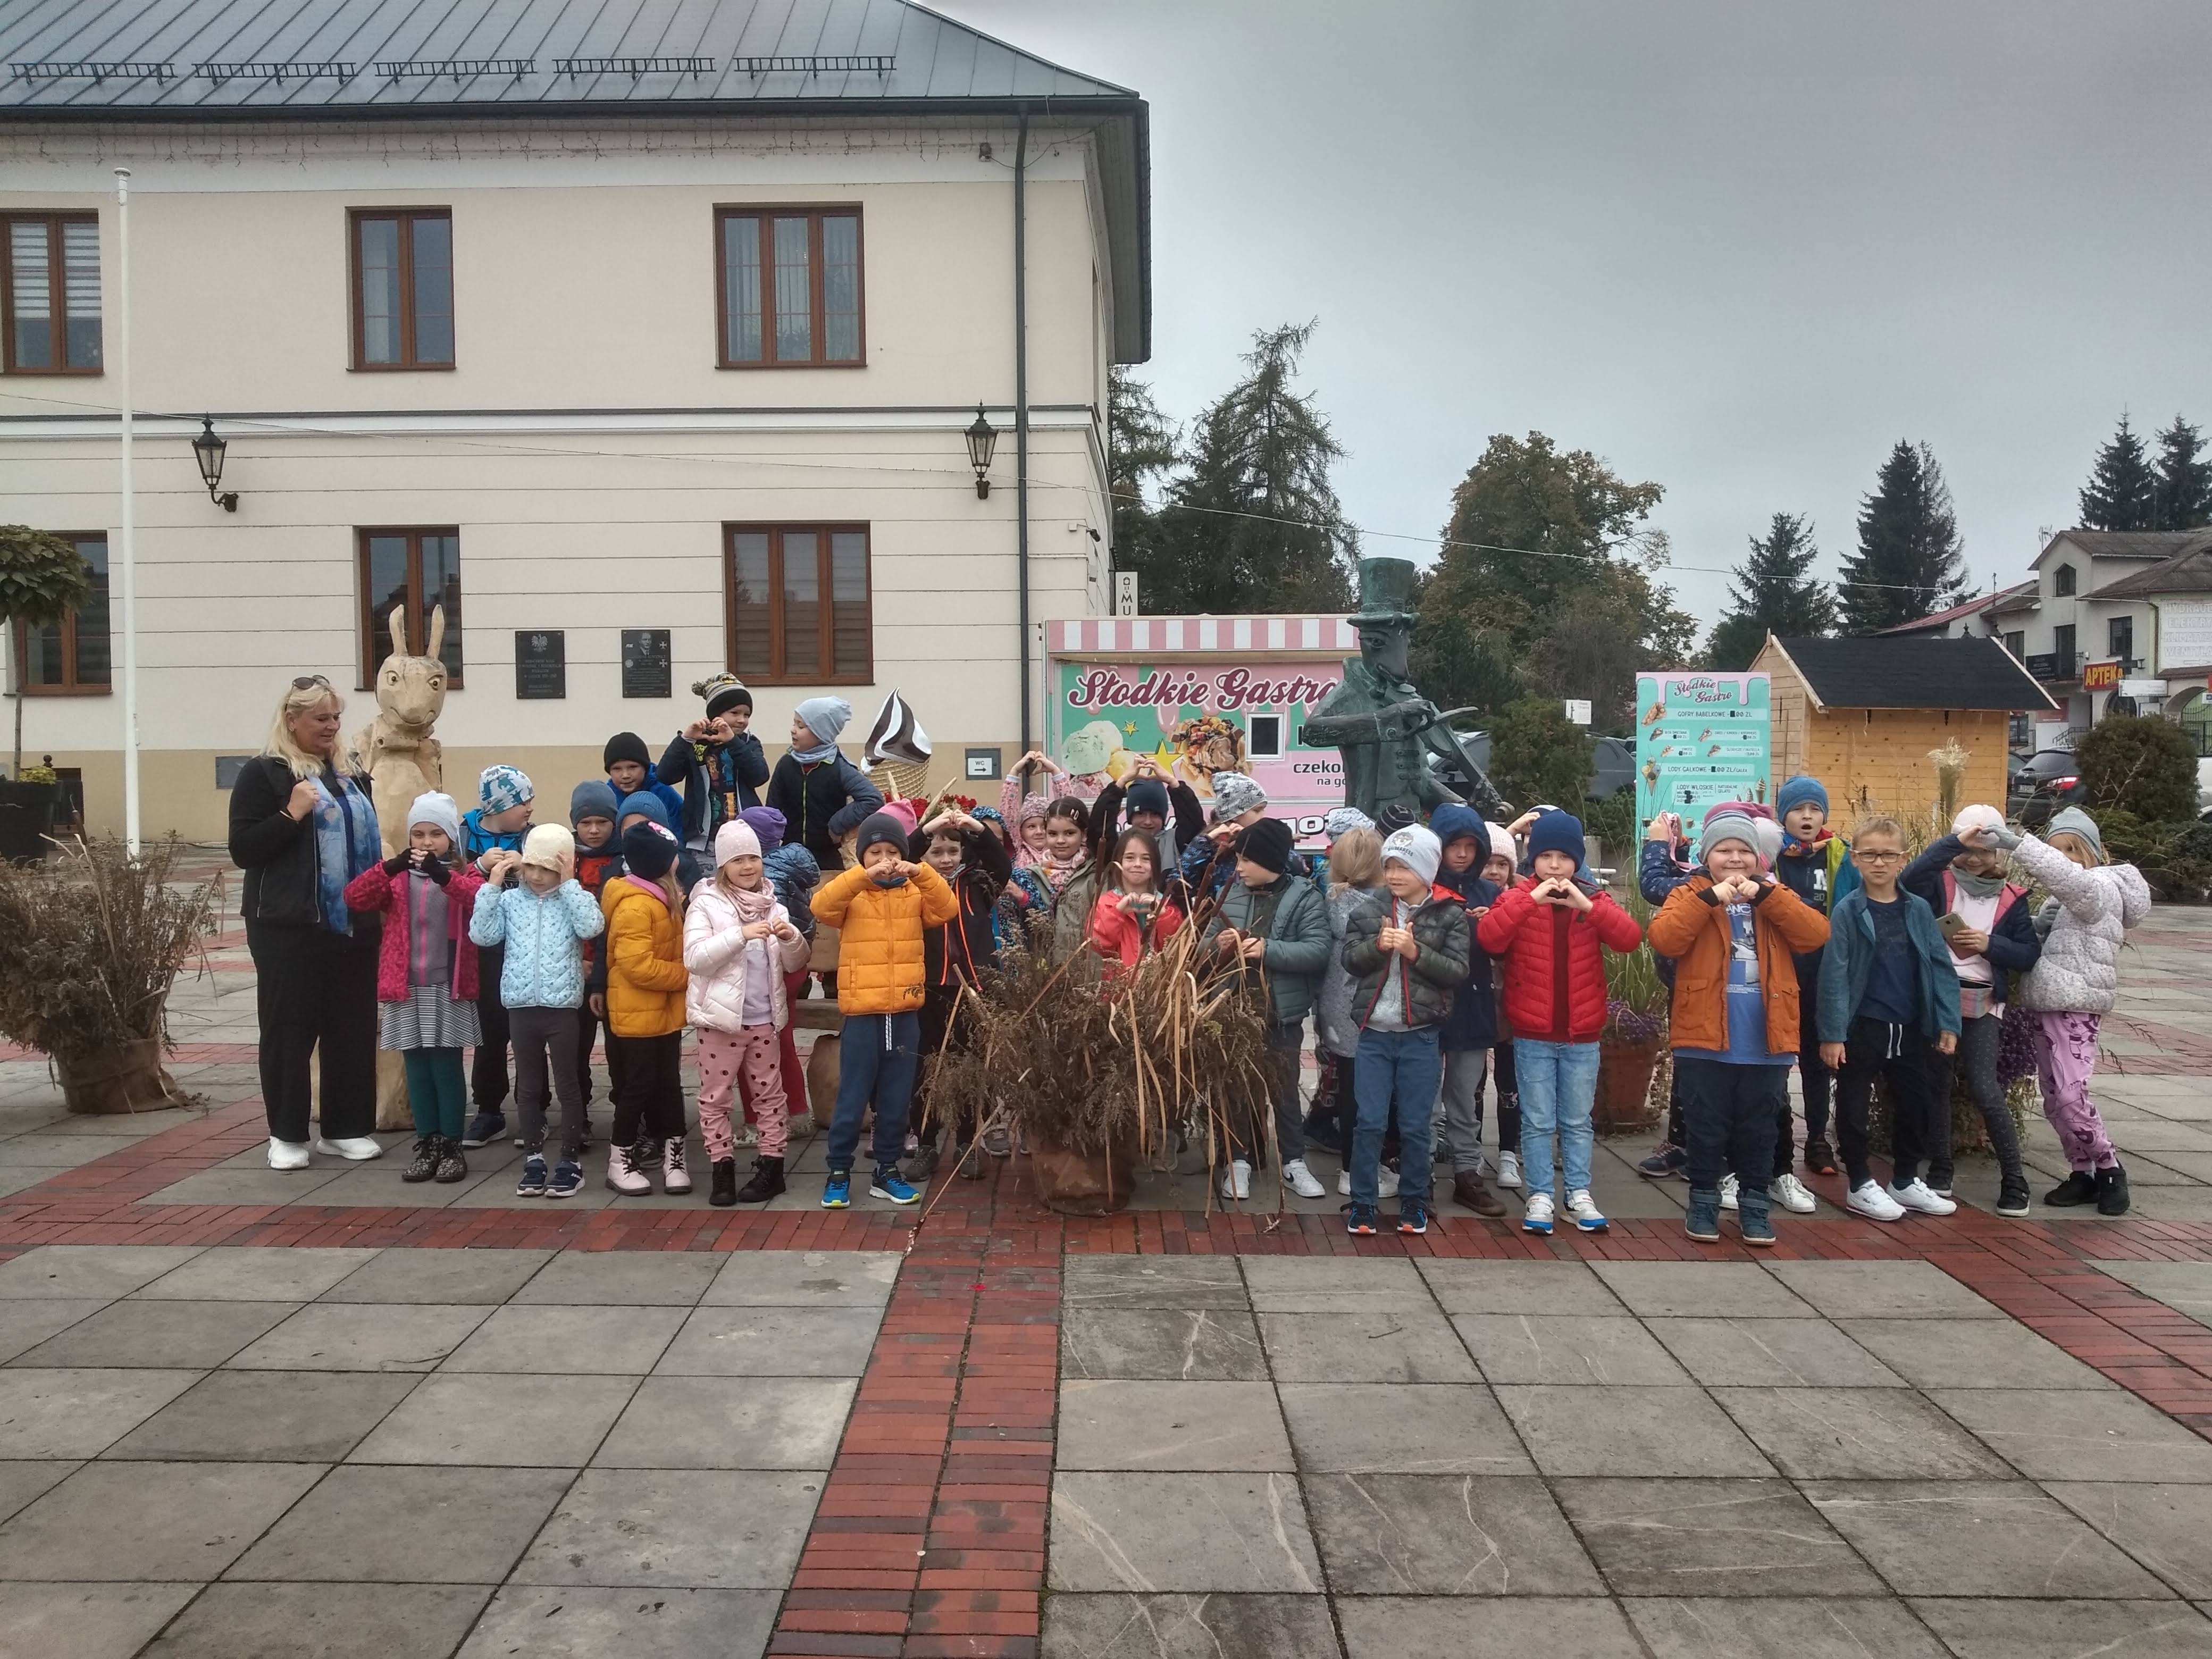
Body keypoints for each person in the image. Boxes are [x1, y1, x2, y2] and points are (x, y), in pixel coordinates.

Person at [1648, 805, 1831, 1246]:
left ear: (1758, 858)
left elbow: (1815, 934)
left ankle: (1754, 1205)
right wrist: (1712, 899)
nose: (1734, 860)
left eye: (1743, 851)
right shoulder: (1689, 891)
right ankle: (1704, 1202)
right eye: (1724, 850)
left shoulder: (1775, 893)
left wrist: (1766, 896)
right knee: (1706, 1127)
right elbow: (1666, 938)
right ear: (1707, 856)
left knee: (1760, 1128)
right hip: (1704, 1036)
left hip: (1767, 1038)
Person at [229, 676, 387, 1169]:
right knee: (289, 1029)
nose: (332, 726)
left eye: (337, 717)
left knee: (352, 1027)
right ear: (292, 720)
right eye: (321, 718)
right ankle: (287, 1133)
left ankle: (345, 1129)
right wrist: (291, 814)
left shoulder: (349, 772)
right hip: (287, 925)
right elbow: (244, 850)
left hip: (353, 923)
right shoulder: (264, 774)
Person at [1970, 807, 2148, 1217]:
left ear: (2093, 851)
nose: (2064, 857)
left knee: (2071, 1094)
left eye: (2072, 848)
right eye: (2057, 849)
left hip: (2076, 1005)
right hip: (2048, 1001)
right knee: (2054, 1098)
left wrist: (2018, 843)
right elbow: (2060, 942)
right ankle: (2081, 1171)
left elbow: (2071, 882)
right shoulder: (2068, 896)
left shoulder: (2100, 885)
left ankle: (2110, 1167)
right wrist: (2037, 925)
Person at [1477, 809, 1644, 1235]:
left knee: (1576, 1120)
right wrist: (1528, 899)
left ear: (1576, 861)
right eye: (1546, 856)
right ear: (1533, 859)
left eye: (1564, 857)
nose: (1554, 866)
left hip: (1582, 1035)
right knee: (1537, 1119)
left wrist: (1586, 905)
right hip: (1532, 1033)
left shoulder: (1594, 899)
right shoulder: (1518, 898)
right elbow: (1491, 938)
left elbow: (1628, 939)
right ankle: (1539, 1195)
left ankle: (1577, 1193)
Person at [1898, 805, 2042, 1217]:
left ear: (1999, 854)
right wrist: (1952, 844)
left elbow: (2030, 955)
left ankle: (2014, 1177)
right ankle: (1940, 1165)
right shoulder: (1937, 885)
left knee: (1984, 1087)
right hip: (1938, 997)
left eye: (1986, 850)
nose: (1975, 858)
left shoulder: (2013, 899)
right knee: (1937, 1084)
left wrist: (1990, 946)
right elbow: (1908, 878)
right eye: (1968, 849)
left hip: (1983, 1003)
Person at [1816, 815, 1962, 1223]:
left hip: (1912, 1026)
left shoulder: (1917, 909)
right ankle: (1861, 1183)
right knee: (1854, 1106)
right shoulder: (1848, 911)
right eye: (1869, 855)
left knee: (1916, 1106)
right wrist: (1832, 1034)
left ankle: (1904, 1180)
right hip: (1864, 1025)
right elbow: (1835, 975)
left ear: (1903, 859)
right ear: (1855, 860)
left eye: (1888, 855)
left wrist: (1948, 1022)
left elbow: (1940, 966)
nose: (1879, 863)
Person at [811, 813, 959, 1208]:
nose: (884, 859)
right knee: (853, 1094)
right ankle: (839, 1171)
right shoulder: (852, 892)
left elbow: (946, 908)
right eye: (874, 852)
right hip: (863, 1013)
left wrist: (921, 871)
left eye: (892, 851)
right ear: (862, 858)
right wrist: (862, 875)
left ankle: (887, 1170)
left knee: (897, 1096)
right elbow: (821, 906)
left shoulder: (914, 892)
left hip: (905, 1010)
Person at [341, 791, 484, 1183]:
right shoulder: (398, 878)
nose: (425, 843)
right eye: (418, 834)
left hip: (447, 986)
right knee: (417, 1067)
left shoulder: (465, 873)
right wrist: (387, 868)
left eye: (435, 834)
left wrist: (445, 877)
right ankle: (429, 1141)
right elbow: (355, 897)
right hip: (405, 987)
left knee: (446, 1066)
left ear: (451, 839)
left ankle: (453, 1143)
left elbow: (479, 902)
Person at [1340, 824, 1473, 1235]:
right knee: (1370, 1122)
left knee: (1417, 1125)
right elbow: (1350, 960)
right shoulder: (1368, 910)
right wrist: (1377, 947)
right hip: (1374, 1034)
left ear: (1428, 870)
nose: (1396, 875)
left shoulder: (1451, 915)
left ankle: (1415, 1200)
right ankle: (1362, 1203)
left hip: (1421, 1035)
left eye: (1406, 867)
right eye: (1391, 866)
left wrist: (1415, 952)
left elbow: (1456, 972)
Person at [469, 823, 605, 1199]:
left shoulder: (570, 898)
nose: (539, 878)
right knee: (528, 1087)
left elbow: (592, 926)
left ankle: (570, 1161)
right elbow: (482, 935)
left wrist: (571, 883)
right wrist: (492, 885)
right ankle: (533, 1158)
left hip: (561, 1008)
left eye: (548, 871)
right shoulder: (512, 901)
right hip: (521, 1006)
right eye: (532, 869)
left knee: (568, 1084)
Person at [1201, 817, 1333, 1200]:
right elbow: (1201, 947)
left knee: (1285, 1092)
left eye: (1246, 859)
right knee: (1235, 1089)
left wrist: (1268, 950)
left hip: (1282, 1015)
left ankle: (1293, 1162)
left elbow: (1319, 950)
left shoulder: (1305, 896)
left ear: (1269, 860)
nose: (1239, 867)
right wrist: (1219, 947)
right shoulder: (1233, 893)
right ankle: (1237, 1162)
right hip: (1233, 1013)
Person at [685, 819, 809, 1206]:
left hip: (764, 1019)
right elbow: (695, 959)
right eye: (737, 860)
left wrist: (792, 939)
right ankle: (721, 1170)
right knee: (715, 1097)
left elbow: (795, 963)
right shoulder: (705, 904)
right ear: (723, 866)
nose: (747, 867)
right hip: (721, 1023)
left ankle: (772, 1168)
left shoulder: (776, 905)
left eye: (753, 857)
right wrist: (740, 935)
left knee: (770, 1097)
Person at [909, 805, 1013, 1176]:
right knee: (928, 1068)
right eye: (936, 852)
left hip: (973, 987)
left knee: (972, 1067)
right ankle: (926, 1142)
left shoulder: (978, 883)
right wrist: (929, 828)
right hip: (931, 988)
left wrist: (974, 828)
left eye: (952, 851)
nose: (946, 859)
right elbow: (903, 852)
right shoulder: (913, 883)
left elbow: (1002, 863)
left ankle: (969, 1141)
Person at [601, 820, 693, 1196]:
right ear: (661, 862)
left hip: (663, 1014)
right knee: (637, 1087)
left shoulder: (662, 898)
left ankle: (676, 1158)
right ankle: (619, 1159)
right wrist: (688, 975)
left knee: (670, 1085)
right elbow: (636, 966)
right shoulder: (637, 906)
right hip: (636, 1013)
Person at [1773, 777, 1858, 1179]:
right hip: (1778, 973)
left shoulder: (1840, 854)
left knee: (1818, 1060)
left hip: (1825, 972)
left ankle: (1819, 1141)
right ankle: (1780, 1138)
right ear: (1782, 815)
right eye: (1798, 809)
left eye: (1815, 809)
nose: (1807, 817)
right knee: (1774, 1059)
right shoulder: (1770, 855)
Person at [1429, 807, 1507, 1216]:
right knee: (1423, 1097)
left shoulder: (1489, 893)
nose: (1461, 855)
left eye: (1469, 847)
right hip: (1425, 1006)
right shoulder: (1421, 887)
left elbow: (1503, 947)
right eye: (1453, 846)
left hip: (1472, 1003)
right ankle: (1418, 1173)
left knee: (1465, 1096)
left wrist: (1489, 924)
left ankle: (1467, 1173)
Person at [459, 765, 535, 1150]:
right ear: (498, 804)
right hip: (485, 952)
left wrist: (528, 868)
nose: (529, 808)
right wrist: (479, 867)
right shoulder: (463, 836)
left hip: (528, 949)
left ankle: (532, 1111)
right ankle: (488, 1111)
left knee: (527, 1034)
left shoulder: (533, 837)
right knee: (489, 1034)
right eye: (522, 801)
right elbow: (452, 884)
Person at [1314, 825, 1387, 1190]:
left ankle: (1347, 1168)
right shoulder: (1384, 906)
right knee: (1371, 1094)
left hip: (1334, 1008)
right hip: (1369, 1007)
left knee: (1347, 1088)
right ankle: (1360, 1169)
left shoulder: (1329, 899)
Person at [740, 805, 820, 1133]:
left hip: (764, 966)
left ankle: (756, 1119)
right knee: (782, 1038)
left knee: (748, 1042)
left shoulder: (758, 874)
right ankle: (798, 1111)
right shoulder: (793, 862)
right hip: (794, 963)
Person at [766, 696, 883, 872]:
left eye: (801, 726)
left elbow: (872, 799)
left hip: (828, 857)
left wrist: (836, 825)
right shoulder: (786, 764)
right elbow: (772, 809)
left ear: (821, 733)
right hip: (789, 854)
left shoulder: (839, 767)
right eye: (794, 724)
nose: (793, 730)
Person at [657, 674, 770, 854]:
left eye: (747, 714)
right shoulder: (696, 743)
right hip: (706, 839)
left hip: (744, 833)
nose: (742, 720)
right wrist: (684, 740)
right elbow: (665, 775)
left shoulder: (748, 743)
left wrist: (733, 742)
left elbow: (760, 776)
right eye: (735, 713)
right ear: (716, 714)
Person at [570, 781, 623, 1146]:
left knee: (621, 1049)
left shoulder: (623, 859)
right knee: (576, 1048)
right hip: (575, 969)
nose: (593, 830)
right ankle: (579, 1114)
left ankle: (628, 1114)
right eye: (586, 822)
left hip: (616, 967)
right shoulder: (565, 859)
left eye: (602, 822)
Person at [1478, 819, 1524, 1191]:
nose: (1494, 871)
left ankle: (1509, 1151)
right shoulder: (1467, 898)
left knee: (1510, 1084)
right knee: (1472, 1084)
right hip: (1477, 1005)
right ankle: (1473, 1148)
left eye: (1502, 864)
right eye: (1488, 862)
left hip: (1513, 1006)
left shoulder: (1525, 899)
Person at [1177, 772, 1280, 911]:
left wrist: (1268, 841)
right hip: (1215, 926)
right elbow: (1177, 886)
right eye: (1257, 811)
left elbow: (1293, 868)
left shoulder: (1264, 840)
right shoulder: (1210, 845)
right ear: (1235, 814)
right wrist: (1203, 843)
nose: (1263, 817)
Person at [1089, 827, 1187, 969]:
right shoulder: (1106, 903)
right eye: (1129, 858)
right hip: (1119, 986)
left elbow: (1177, 947)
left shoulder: (1167, 904)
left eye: (1146, 859)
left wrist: (1163, 916)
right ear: (1119, 861)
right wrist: (1117, 913)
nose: (1138, 864)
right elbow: (1098, 945)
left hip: (1157, 987)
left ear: (1155, 864)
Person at [1086, 755, 1205, 870]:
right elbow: (1098, 827)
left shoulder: (1174, 842)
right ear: (1130, 817)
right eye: (1141, 814)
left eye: (1155, 814)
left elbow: (1194, 824)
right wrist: (1120, 783)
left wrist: (1174, 784)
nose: (1148, 822)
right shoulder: (1118, 843)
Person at [601, 732, 685, 834]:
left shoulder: (664, 792)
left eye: (633, 767)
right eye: (617, 769)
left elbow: (681, 831)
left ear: (645, 768)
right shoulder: (607, 797)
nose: (625, 775)